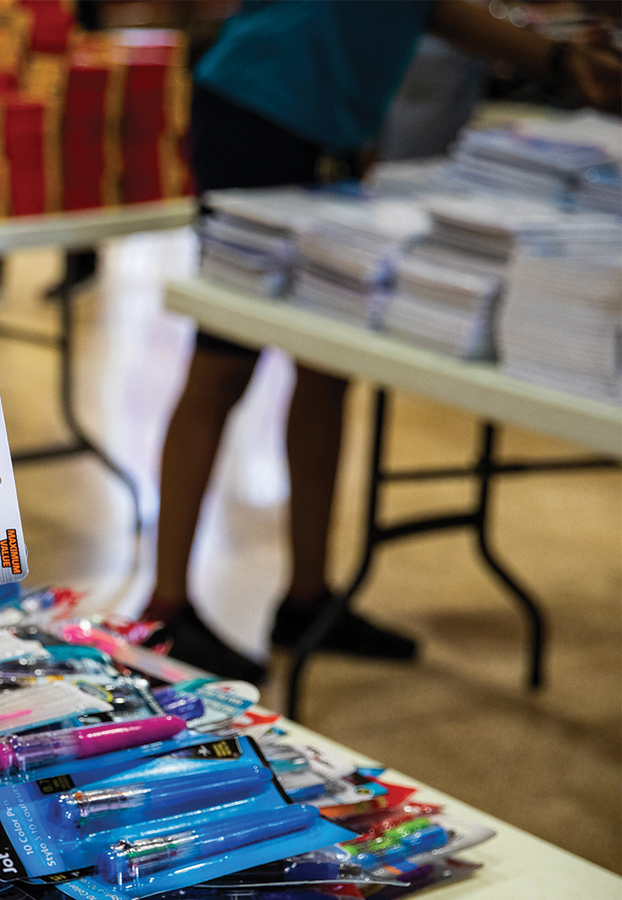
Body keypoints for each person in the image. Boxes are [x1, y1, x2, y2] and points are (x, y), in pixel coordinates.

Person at [143, 0, 622, 682]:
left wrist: (558, 60)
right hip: (263, 102)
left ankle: (308, 599)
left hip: (334, 118)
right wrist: (556, 58)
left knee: (327, 365)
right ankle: (163, 612)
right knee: (224, 358)